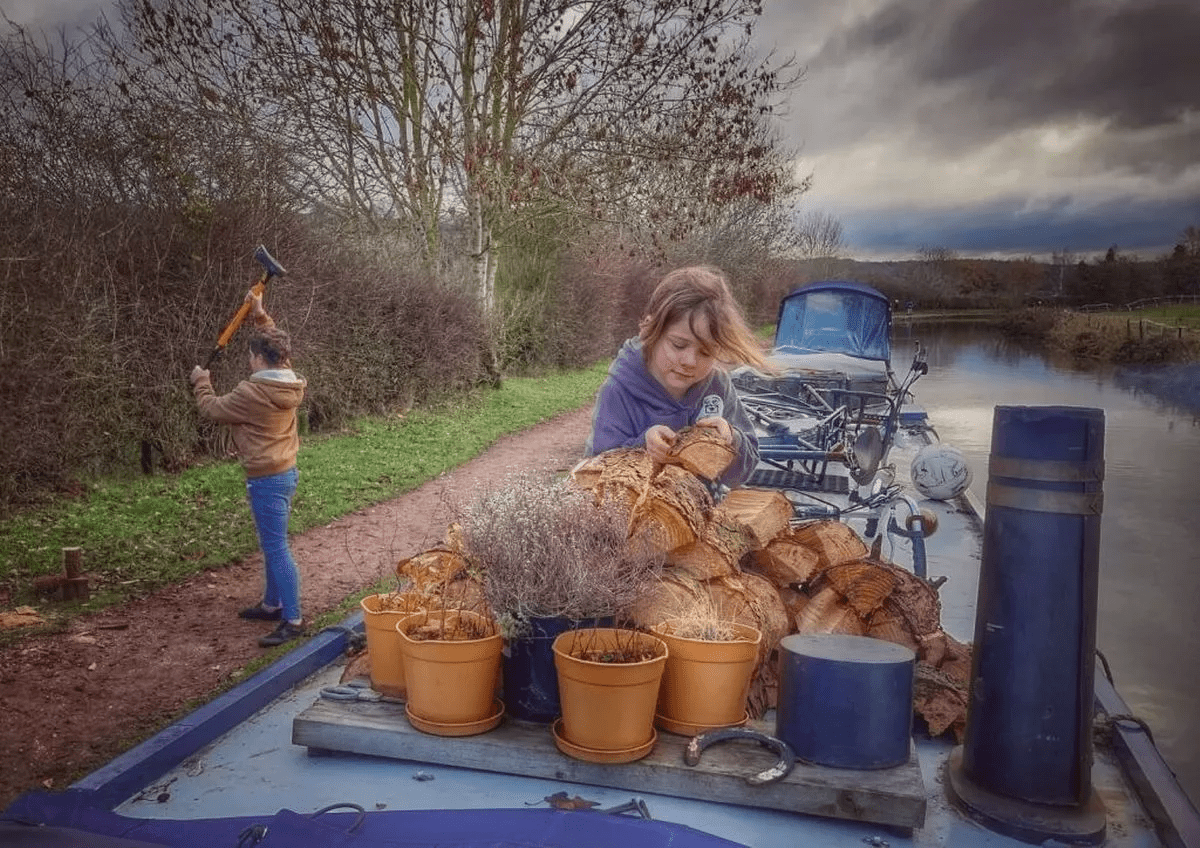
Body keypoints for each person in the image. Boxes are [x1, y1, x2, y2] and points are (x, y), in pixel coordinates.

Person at [189, 290, 308, 647]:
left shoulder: (251, 393)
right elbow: (277, 347)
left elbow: (213, 409)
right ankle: (273, 604)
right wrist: (259, 315)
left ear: (258, 359)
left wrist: (201, 381)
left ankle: (293, 618)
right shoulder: (288, 381)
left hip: (266, 478)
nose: (250, 361)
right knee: (273, 543)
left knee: (276, 548)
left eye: (251, 356)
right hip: (285, 472)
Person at [586, 265, 767, 489]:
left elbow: (746, 468)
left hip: (702, 514)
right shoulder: (619, 389)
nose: (690, 361)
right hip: (634, 517)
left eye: (705, 351)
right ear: (651, 330)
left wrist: (731, 440)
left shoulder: (718, 386)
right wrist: (644, 449)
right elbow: (597, 470)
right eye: (679, 345)